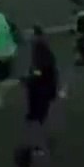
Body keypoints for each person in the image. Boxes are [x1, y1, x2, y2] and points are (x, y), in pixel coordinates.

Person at [21, 26, 59, 156]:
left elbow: (40, 71)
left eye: (31, 34)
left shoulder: (40, 51)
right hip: (42, 89)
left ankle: (39, 146)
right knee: (36, 118)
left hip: (41, 90)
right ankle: (39, 144)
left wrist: (28, 78)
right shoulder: (41, 49)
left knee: (36, 118)